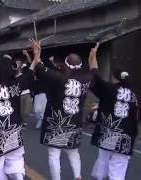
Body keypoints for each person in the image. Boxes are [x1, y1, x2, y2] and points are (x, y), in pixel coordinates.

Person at [30, 40, 94, 180]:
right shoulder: (87, 78)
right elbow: (94, 69)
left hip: (55, 123)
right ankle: (77, 176)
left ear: (65, 63)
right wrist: (93, 56)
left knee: (54, 154)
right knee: (73, 152)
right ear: (80, 65)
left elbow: (39, 67)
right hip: (75, 122)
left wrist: (37, 52)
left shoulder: (56, 77)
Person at [89, 43, 138, 180]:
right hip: (127, 135)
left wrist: (93, 56)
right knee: (119, 165)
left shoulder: (109, 89)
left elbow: (94, 74)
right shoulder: (134, 95)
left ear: (114, 77)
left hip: (108, 132)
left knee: (103, 160)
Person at [15, 52, 33, 126]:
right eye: (17, 62)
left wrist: (27, 55)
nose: (18, 63)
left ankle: (24, 121)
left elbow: (32, 64)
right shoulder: (14, 72)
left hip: (26, 93)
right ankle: (20, 122)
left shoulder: (26, 70)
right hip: (18, 94)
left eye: (19, 62)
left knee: (26, 111)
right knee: (20, 110)